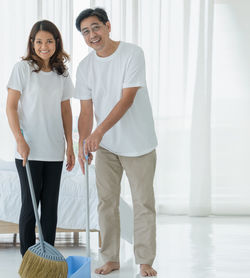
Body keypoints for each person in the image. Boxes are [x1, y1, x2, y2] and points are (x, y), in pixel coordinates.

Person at [75, 8, 158, 277]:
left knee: (142, 202)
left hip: (139, 145)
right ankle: (110, 258)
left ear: (108, 26)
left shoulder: (132, 54)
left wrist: (97, 133)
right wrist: (82, 142)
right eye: (85, 32)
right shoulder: (85, 67)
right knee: (106, 202)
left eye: (96, 27)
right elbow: (86, 111)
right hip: (107, 146)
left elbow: (127, 100)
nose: (92, 35)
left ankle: (145, 260)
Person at [6, 20, 75, 256]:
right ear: (31, 43)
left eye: (48, 41)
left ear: (56, 42)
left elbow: (66, 110)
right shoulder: (23, 69)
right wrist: (19, 139)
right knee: (29, 208)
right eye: (38, 41)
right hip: (29, 151)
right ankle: (28, 258)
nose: (43, 46)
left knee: (50, 209)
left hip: (54, 150)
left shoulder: (62, 73)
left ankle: (47, 258)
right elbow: (11, 108)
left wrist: (70, 146)